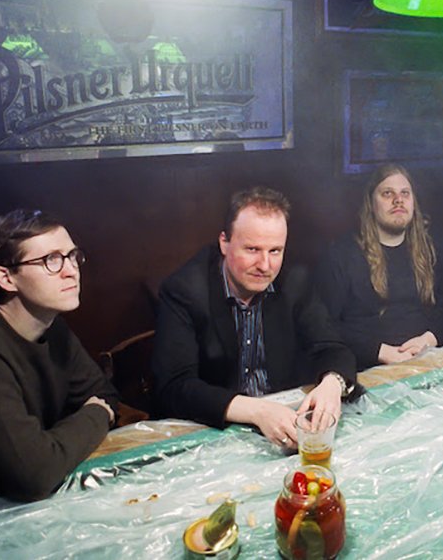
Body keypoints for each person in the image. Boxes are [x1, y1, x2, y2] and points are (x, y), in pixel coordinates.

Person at [0, 210, 119, 501]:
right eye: (51, 260)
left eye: (72, 256)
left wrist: (53, 443)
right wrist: (96, 414)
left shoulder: (54, 328)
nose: (71, 270)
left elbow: (105, 394)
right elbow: (32, 475)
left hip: (19, 499)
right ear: (6, 278)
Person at [152, 187, 356, 448]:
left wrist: (333, 384)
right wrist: (258, 411)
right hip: (212, 433)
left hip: (283, 426)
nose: (265, 265)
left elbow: (332, 347)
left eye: (275, 251)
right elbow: (174, 387)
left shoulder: (295, 281)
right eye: (252, 249)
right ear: (224, 243)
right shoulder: (185, 290)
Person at [316, 164, 443, 370]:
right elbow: (324, 324)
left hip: (427, 361)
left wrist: (429, 339)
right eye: (387, 193)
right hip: (367, 368)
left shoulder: (432, 249)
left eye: (405, 193)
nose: (398, 200)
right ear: (371, 203)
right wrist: (380, 351)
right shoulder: (341, 255)